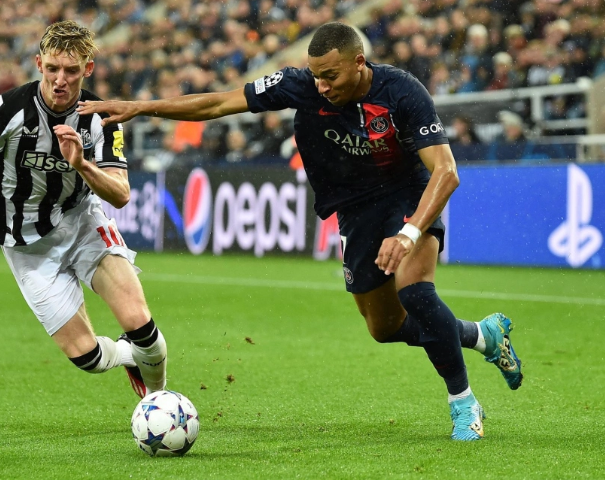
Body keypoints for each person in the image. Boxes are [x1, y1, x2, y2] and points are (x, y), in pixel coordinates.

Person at [78, 21, 524, 441]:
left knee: (417, 294)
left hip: (408, 195)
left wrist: (408, 233)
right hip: (355, 210)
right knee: (385, 328)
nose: (322, 86)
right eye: (316, 76)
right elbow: (218, 104)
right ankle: (481, 335)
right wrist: (141, 108)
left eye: (331, 76)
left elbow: (446, 171)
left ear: (359, 62)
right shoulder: (302, 85)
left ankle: (463, 403)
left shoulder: (402, 92)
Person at [0, 20, 167, 401]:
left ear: (88, 69)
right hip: (25, 245)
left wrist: (81, 165)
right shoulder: (9, 108)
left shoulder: (99, 117)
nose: (59, 80)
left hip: (81, 221)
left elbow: (121, 195)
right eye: (52, 68)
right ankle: (128, 356)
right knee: (88, 357)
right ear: (38, 64)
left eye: (70, 70)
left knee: (139, 323)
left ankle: (160, 401)